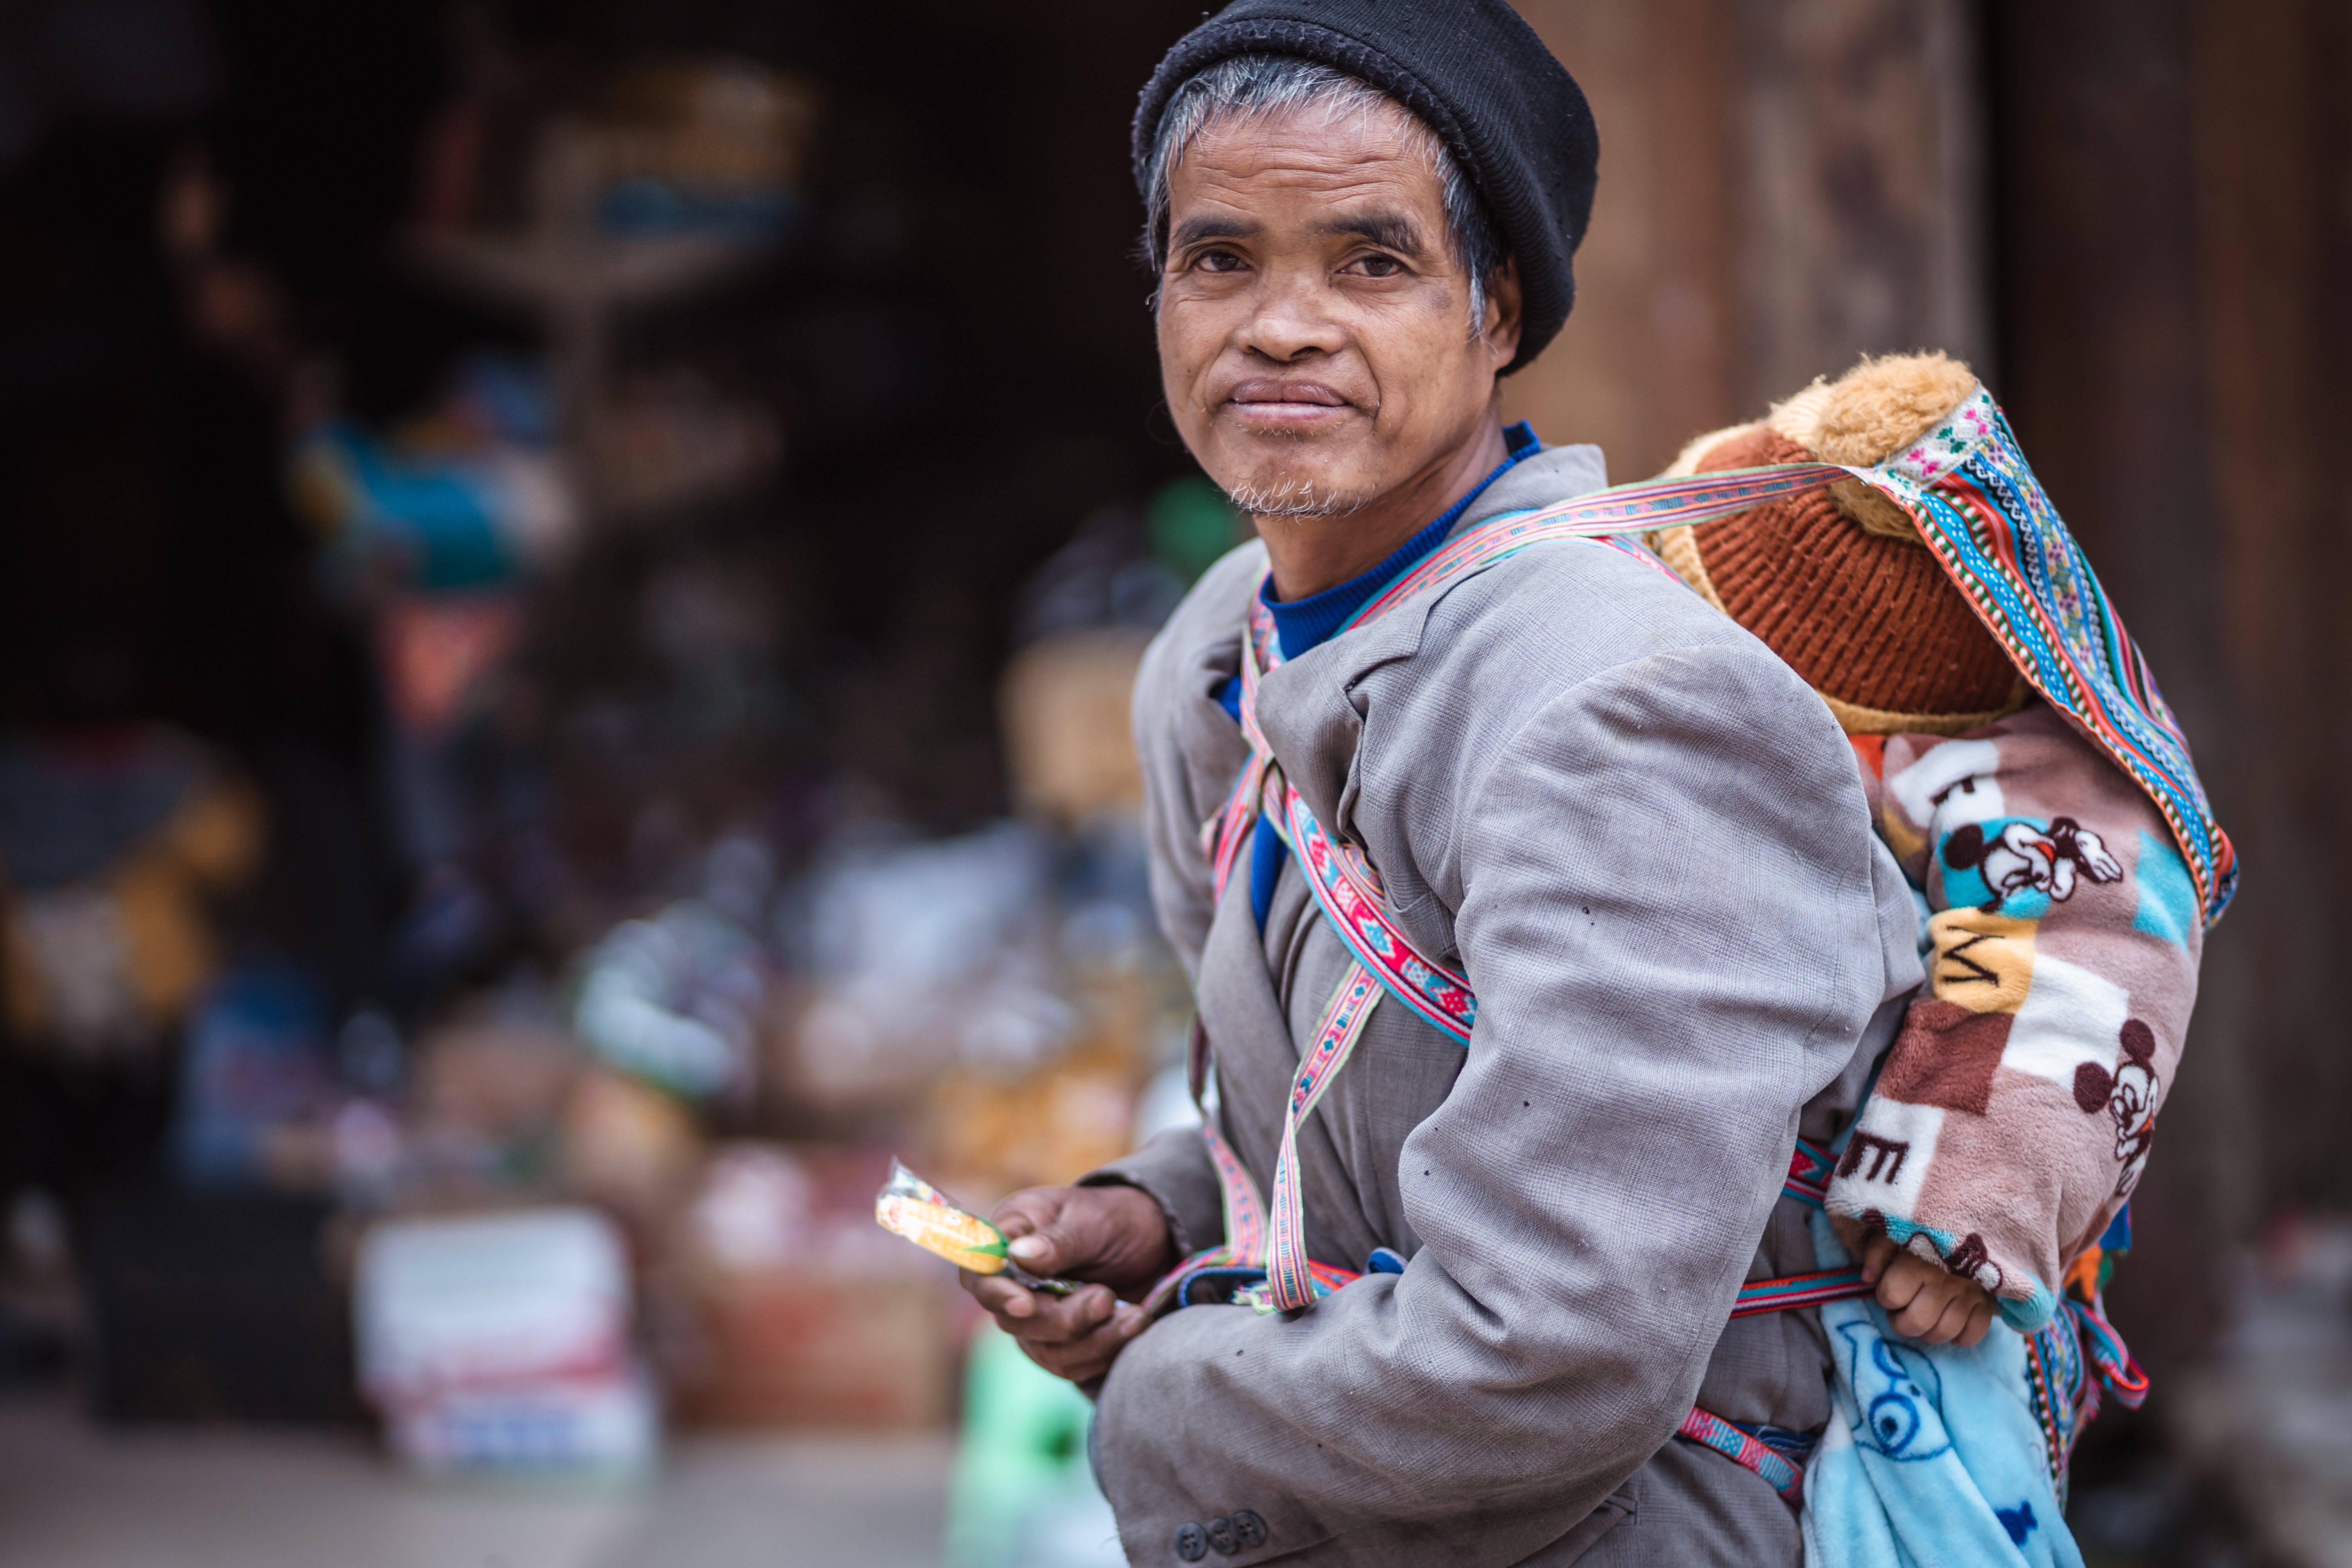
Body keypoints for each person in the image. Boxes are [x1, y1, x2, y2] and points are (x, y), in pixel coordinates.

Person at [964, 4, 1926, 1562]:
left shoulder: (1627, 704)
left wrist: (1157, 1400)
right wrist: (1163, 1216)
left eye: (1370, 260)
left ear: (1496, 309)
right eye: (1221, 259)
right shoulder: (1218, 661)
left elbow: (1553, 1347)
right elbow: (1370, 1112)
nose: (1277, 326)